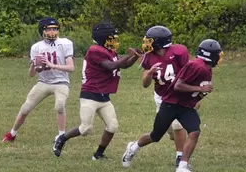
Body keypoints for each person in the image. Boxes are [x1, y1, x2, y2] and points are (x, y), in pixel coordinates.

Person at [121, 39, 223, 172]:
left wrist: (197, 98)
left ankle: (182, 166)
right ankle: (133, 148)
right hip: (170, 104)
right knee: (155, 136)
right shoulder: (196, 65)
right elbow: (178, 86)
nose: (220, 57)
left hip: (185, 106)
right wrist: (199, 89)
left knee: (194, 131)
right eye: (218, 54)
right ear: (211, 55)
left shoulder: (205, 68)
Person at [53, 23, 141, 160]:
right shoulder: (94, 50)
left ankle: (98, 154)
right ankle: (62, 138)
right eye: (112, 38)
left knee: (112, 126)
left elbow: (122, 65)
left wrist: (135, 56)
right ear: (103, 38)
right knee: (85, 128)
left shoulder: (110, 51)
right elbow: (111, 66)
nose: (115, 41)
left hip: (104, 96)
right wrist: (127, 55)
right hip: (90, 94)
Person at [2, 17, 74, 143]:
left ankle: (61, 136)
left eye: (55, 29)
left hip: (61, 82)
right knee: (25, 108)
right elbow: (31, 74)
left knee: (60, 105)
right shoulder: (37, 47)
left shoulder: (65, 43)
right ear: (43, 30)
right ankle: (12, 133)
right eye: (49, 29)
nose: (53, 32)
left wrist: (52, 65)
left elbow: (71, 67)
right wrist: (33, 64)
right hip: (43, 82)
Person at [139, 26, 190, 166]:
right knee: (169, 133)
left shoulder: (179, 52)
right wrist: (149, 73)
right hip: (161, 97)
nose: (146, 43)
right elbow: (144, 84)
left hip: (178, 95)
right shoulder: (148, 56)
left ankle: (180, 158)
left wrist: (193, 95)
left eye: (149, 40)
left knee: (178, 125)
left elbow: (188, 73)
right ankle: (134, 146)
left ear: (159, 42)